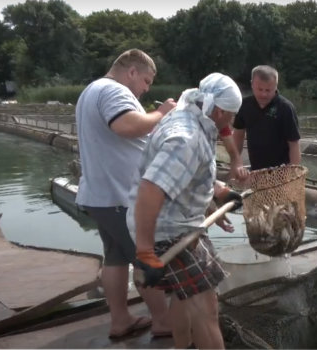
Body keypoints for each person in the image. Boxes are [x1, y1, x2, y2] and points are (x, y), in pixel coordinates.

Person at [128, 73, 244, 350]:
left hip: (181, 222)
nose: (232, 121)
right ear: (218, 110)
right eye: (232, 115)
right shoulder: (187, 138)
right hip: (168, 230)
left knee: (184, 297)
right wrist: (145, 251)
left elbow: (184, 173)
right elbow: (151, 189)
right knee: (207, 311)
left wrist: (217, 191)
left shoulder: (192, 114)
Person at [75, 49, 173, 338]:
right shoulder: (113, 90)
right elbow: (127, 126)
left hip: (100, 195)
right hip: (120, 197)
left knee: (116, 258)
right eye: (145, 80)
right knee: (144, 258)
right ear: (131, 72)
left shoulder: (91, 91)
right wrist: (162, 113)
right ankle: (163, 321)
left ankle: (120, 320)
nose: (146, 89)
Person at [233, 65, 301, 171]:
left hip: (281, 172)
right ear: (252, 84)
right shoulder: (244, 105)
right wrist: (235, 162)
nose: (264, 94)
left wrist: (293, 171)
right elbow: (238, 135)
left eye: (268, 90)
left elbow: (294, 143)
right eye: (260, 89)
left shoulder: (286, 108)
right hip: (256, 171)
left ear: (276, 86)